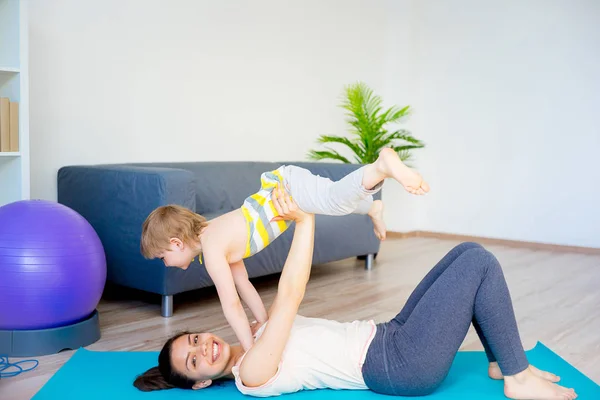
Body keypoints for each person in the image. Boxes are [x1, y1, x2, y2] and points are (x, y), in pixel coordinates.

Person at [134, 190, 577, 400]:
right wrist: (305, 223)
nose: (203, 348)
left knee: (467, 251)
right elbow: (289, 295)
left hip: (389, 336)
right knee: (479, 265)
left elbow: (244, 288)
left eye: (193, 340)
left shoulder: (253, 339)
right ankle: (517, 379)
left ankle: (502, 358)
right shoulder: (251, 372)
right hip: (399, 364)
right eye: (195, 362)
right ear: (204, 381)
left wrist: (256, 323)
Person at [140, 148, 429, 351]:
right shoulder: (213, 241)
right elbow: (244, 288)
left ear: (175, 243)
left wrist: (252, 349)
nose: (165, 263)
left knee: (333, 200)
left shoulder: (213, 248)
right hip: (284, 184)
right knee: (332, 199)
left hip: (284, 188)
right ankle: (373, 206)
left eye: (162, 257)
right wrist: (266, 326)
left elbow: (231, 307)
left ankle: (381, 166)